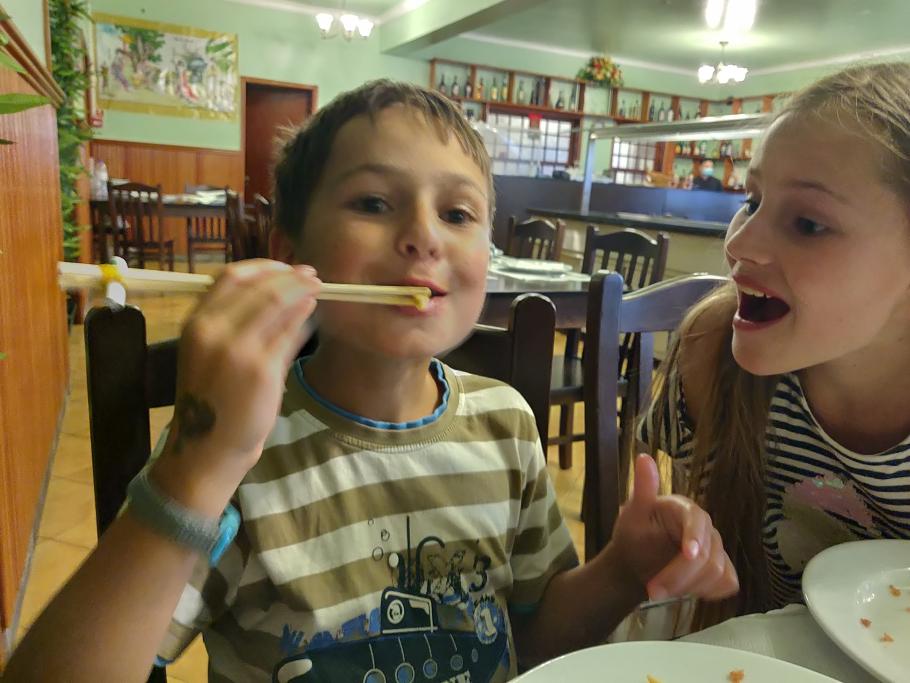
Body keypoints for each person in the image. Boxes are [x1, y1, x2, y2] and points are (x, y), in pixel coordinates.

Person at [3, 81, 736, 683]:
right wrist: (198, 465)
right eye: (373, 203)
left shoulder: (505, 423)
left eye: (457, 212)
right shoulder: (239, 442)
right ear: (292, 253)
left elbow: (532, 637)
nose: (423, 234)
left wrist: (623, 569)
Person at [640, 62, 910, 631]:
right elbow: (709, 610)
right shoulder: (710, 353)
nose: (738, 243)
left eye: (808, 223)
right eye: (752, 199)